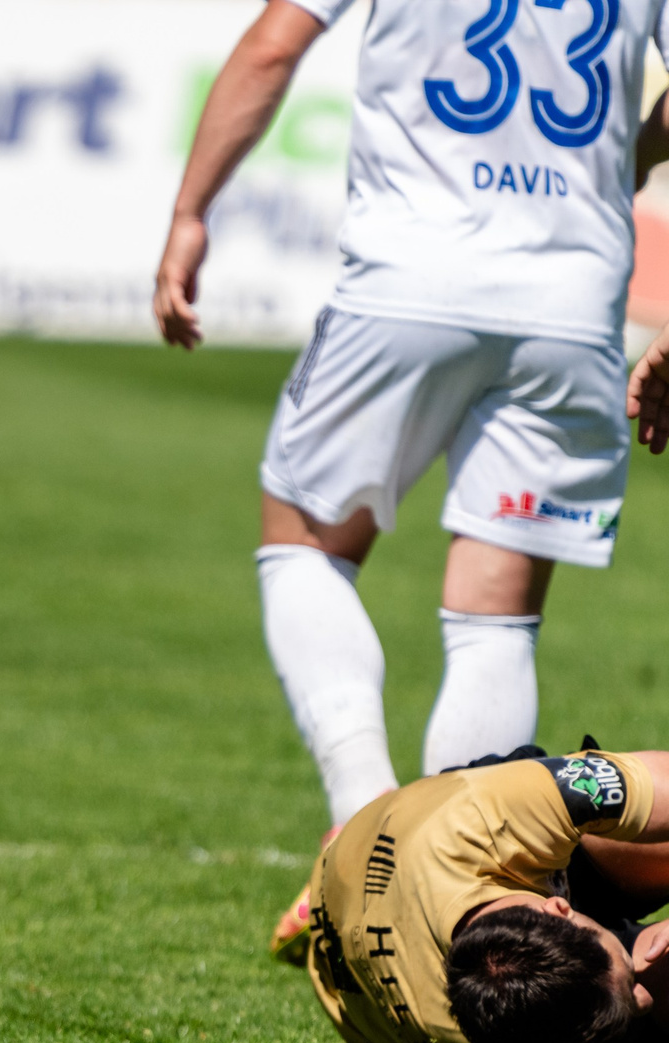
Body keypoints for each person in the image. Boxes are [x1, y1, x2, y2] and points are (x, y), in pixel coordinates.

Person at [154, 0, 669, 962]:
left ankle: (360, 832)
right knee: (495, 617)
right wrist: (626, 165)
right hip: (571, 303)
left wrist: (190, 213)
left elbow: (274, 44)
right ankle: (461, 890)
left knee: (302, 543)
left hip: (408, 283)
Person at [299, 745, 669, 1043]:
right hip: (361, 948)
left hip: (420, 837)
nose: (643, 997)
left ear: (559, 907)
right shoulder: (492, 1034)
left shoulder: (494, 815)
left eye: (630, 981)